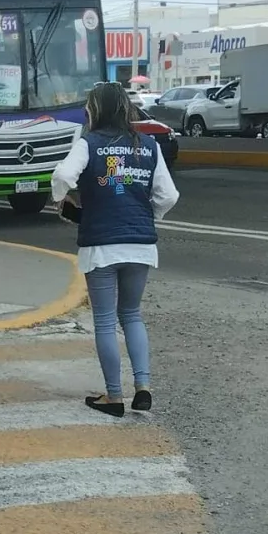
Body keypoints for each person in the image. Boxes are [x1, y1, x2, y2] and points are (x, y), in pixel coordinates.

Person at [51, 81, 180, 417]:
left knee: (106, 321)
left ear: (95, 110)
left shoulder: (89, 143)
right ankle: (143, 388)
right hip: (140, 244)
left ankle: (113, 396)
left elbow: (64, 174)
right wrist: (146, 214)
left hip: (102, 246)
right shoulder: (148, 145)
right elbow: (169, 196)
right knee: (132, 315)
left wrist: (59, 197)